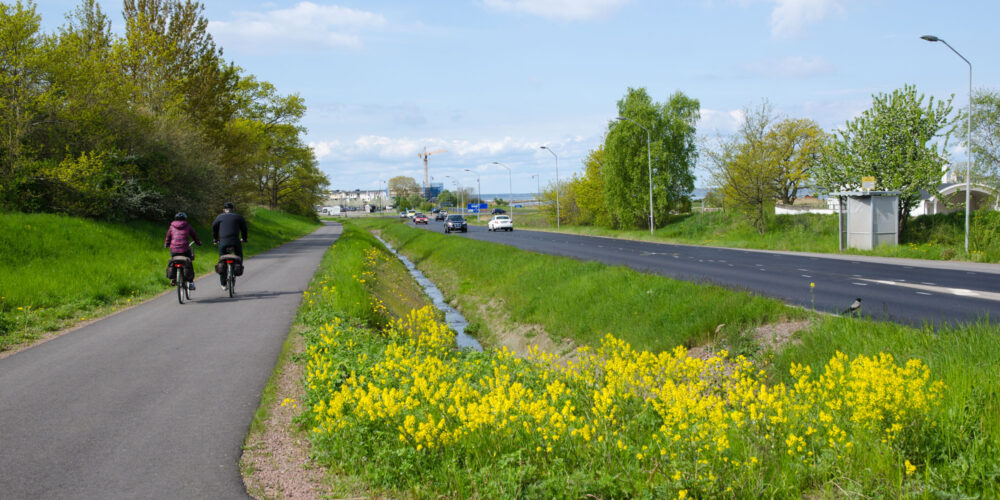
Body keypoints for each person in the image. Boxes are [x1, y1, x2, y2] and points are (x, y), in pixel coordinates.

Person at [212, 202, 248, 290]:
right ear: (233, 209)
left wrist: (215, 239)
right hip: (235, 241)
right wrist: (244, 238)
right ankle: (237, 268)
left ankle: (223, 284)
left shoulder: (219, 217)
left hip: (223, 241)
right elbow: (244, 228)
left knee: (222, 260)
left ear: (223, 210)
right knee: (239, 255)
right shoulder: (238, 217)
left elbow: (214, 227)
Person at [164, 212, 203, 290]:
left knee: (174, 261)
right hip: (185, 249)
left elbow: (168, 237)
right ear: (185, 219)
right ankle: (191, 283)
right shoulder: (188, 226)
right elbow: (194, 235)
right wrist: (198, 243)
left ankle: (173, 278)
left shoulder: (171, 227)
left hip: (174, 249)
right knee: (189, 263)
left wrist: (166, 244)